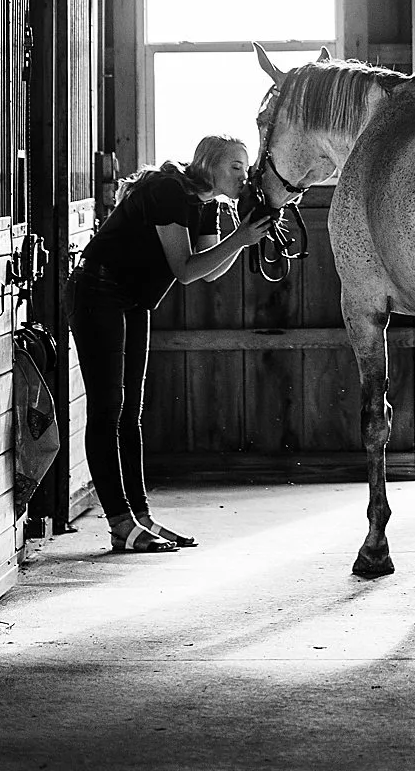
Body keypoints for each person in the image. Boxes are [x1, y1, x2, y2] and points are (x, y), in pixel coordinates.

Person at [66, 134, 271, 555]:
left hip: (133, 300)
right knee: (108, 409)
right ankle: (120, 522)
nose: (243, 175)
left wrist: (240, 236)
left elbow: (209, 273)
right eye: (235, 166)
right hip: (97, 290)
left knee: (131, 410)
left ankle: (139, 517)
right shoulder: (168, 190)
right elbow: (183, 269)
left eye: (245, 167)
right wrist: (242, 240)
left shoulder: (210, 206)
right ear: (209, 164)